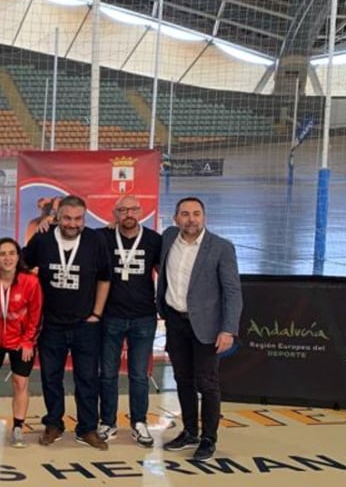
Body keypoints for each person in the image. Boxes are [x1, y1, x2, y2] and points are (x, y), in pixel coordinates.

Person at [23, 195, 112, 450]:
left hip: (86, 324)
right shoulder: (42, 238)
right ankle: (53, 424)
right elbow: (22, 266)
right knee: (51, 378)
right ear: (57, 217)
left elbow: (105, 278)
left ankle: (87, 428)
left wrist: (96, 314)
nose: (72, 224)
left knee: (87, 378)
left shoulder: (95, 240)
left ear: (84, 217)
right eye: (67, 218)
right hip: (51, 324)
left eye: (78, 218)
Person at [158, 197, 241, 462]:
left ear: (204, 217)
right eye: (185, 214)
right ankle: (190, 431)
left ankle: (209, 439)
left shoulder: (221, 248)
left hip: (206, 326)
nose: (191, 219)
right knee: (182, 380)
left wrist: (228, 329)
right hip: (175, 322)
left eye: (196, 214)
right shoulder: (168, 238)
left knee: (207, 383)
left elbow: (232, 291)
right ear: (175, 219)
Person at [99, 195, 162, 447]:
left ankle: (139, 422)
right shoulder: (103, 237)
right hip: (110, 316)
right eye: (122, 210)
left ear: (141, 211)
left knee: (138, 374)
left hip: (144, 317)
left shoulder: (154, 240)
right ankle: (107, 422)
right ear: (115, 214)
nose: (128, 214)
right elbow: (74, 230)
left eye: (133, 209)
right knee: (107, 375)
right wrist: (48, 220)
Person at [0, 237, 42, 448]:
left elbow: (36, 313)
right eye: (2, 254)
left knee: (20, 383)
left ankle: (18, 427)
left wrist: (28, 340)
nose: (7, 258)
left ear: (18, 256)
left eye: (11, 253)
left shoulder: (30, 281)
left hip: (21, 341)